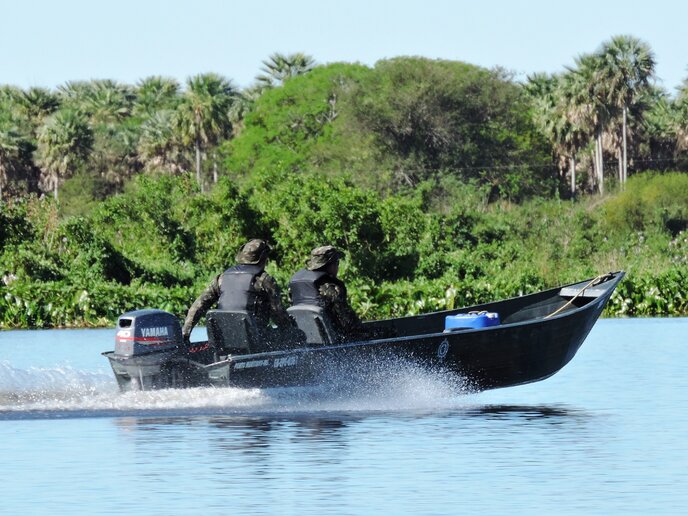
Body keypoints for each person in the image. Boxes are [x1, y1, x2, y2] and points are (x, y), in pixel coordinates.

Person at [182, 239, 295, 348]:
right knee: (297, 336)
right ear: (263, 259)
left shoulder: (221, 278)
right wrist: (291, 332)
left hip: (222, 339)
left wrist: (185, 333)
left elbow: (198, 306)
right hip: (255, 341)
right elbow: (278, 314)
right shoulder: (264, 280)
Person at [288, 245, 367, 340]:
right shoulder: (331, 288)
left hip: (306, 341)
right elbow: (347, 319)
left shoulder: (295, 283)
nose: (337, 266)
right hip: (333, 340)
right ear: (330, 265)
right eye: (337, 263)